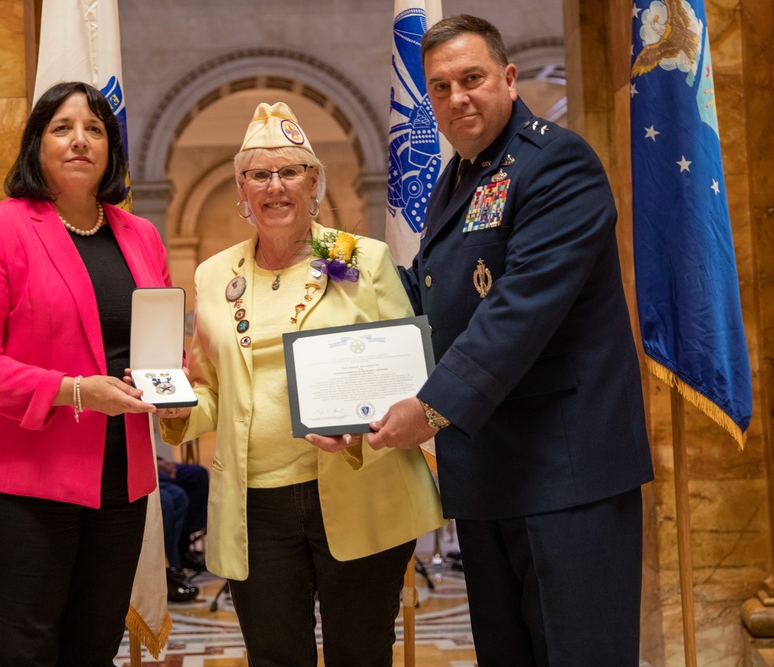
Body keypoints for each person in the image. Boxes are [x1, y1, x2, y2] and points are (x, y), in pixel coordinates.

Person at [363, 15, 654, 666]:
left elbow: (519, 309)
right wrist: (338, 300)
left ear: (509, 78)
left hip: (566, 478)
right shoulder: (458, 177)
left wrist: (430, 407)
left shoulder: (556, 164)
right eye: (439, 87)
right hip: (492, 477)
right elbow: (431, 293)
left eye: (472, 78)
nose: (456, 97)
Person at [156, 102, 444, 667]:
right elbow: (210, 390)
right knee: (273, 655)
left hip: (360, 489)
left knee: (359, 654)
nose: (275, 187)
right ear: (241, 187)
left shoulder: (361, 258)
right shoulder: (216, 275)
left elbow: (408, 376)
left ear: (314, 182)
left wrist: (367, 430)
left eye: (289, 172)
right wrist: (172, 401)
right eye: (259, 174)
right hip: (255, 504)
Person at [0, 81, 170, 666]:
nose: (80, 141)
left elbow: (155, 347)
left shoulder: (141, 236)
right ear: (36, 144)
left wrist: (175, 386)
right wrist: (72, 392)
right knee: (25, 650)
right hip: (15, 481)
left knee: (93, 650)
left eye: (95, 130)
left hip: (119, 480)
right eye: (62, 128)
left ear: (112, 149)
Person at [157, 457, 208, 602]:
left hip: (147, 457)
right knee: (171, 498)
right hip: (128, 463)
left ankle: (182, 549)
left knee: (198, 474)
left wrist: (158, 460)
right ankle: (169, 570)